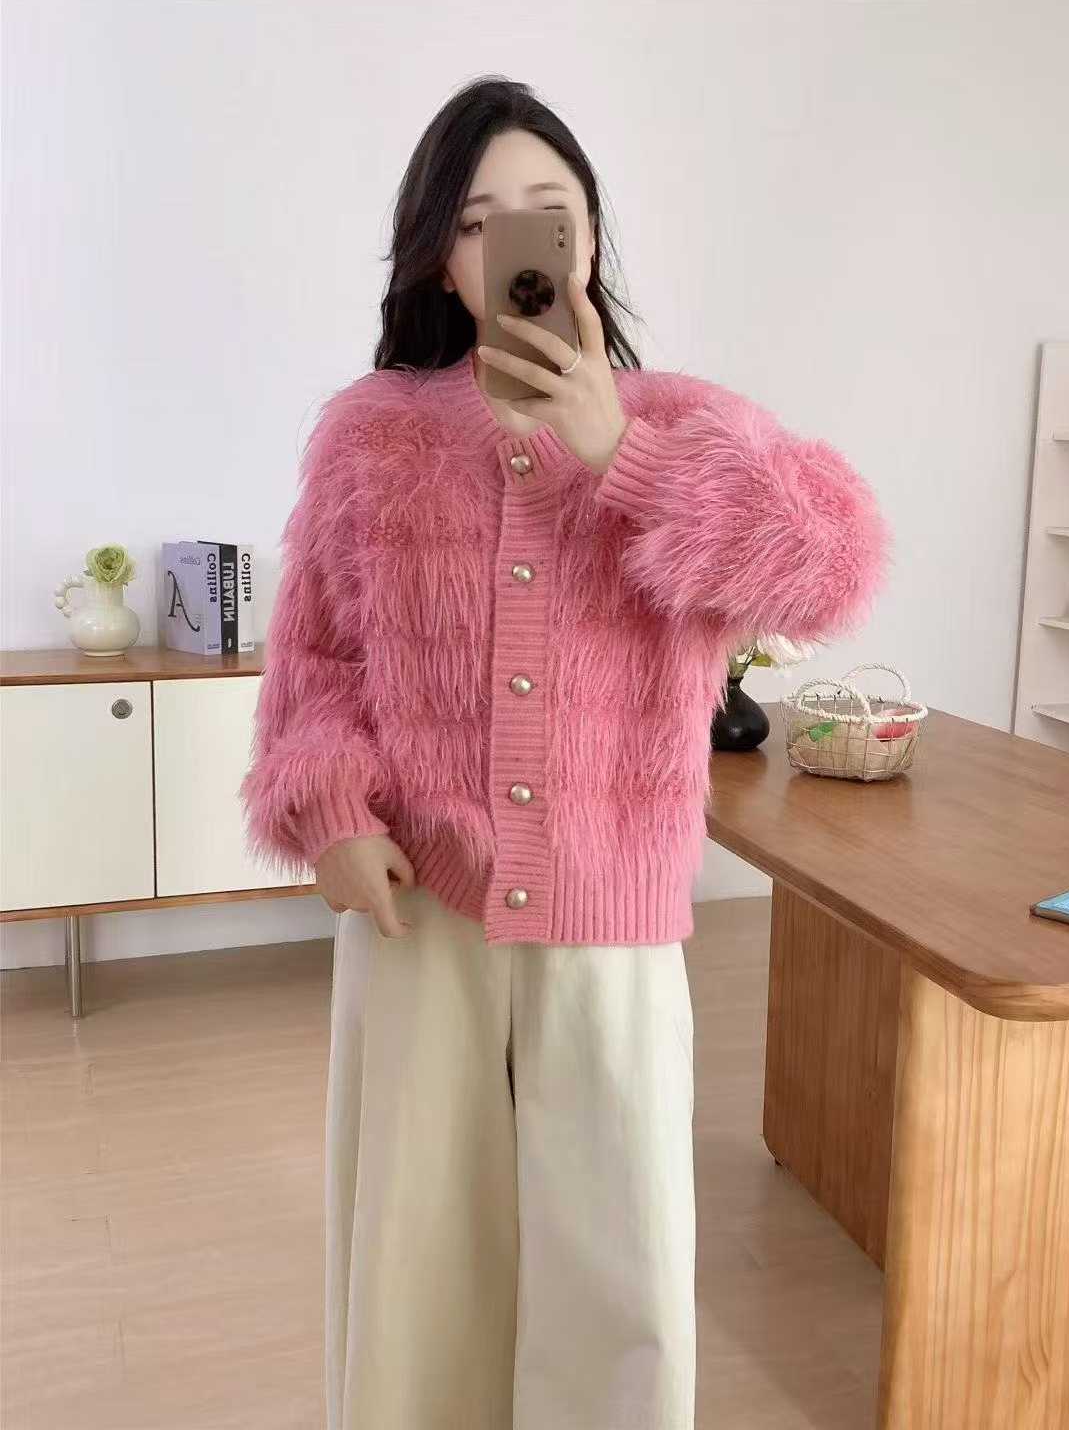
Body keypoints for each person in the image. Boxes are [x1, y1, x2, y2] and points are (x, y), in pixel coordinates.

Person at [239, 75, 892, 1430]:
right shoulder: (372, 433)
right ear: (440, 255)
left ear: (590, 237)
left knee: (619, 1266)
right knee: (419, 1264)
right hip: (423, 915)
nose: (515, 244)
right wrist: (331, 809)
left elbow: (832, 565)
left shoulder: (686, 419)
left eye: (548, 211)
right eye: (479, 221)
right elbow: (316, 664)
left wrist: (621, 452)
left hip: (614, 923)